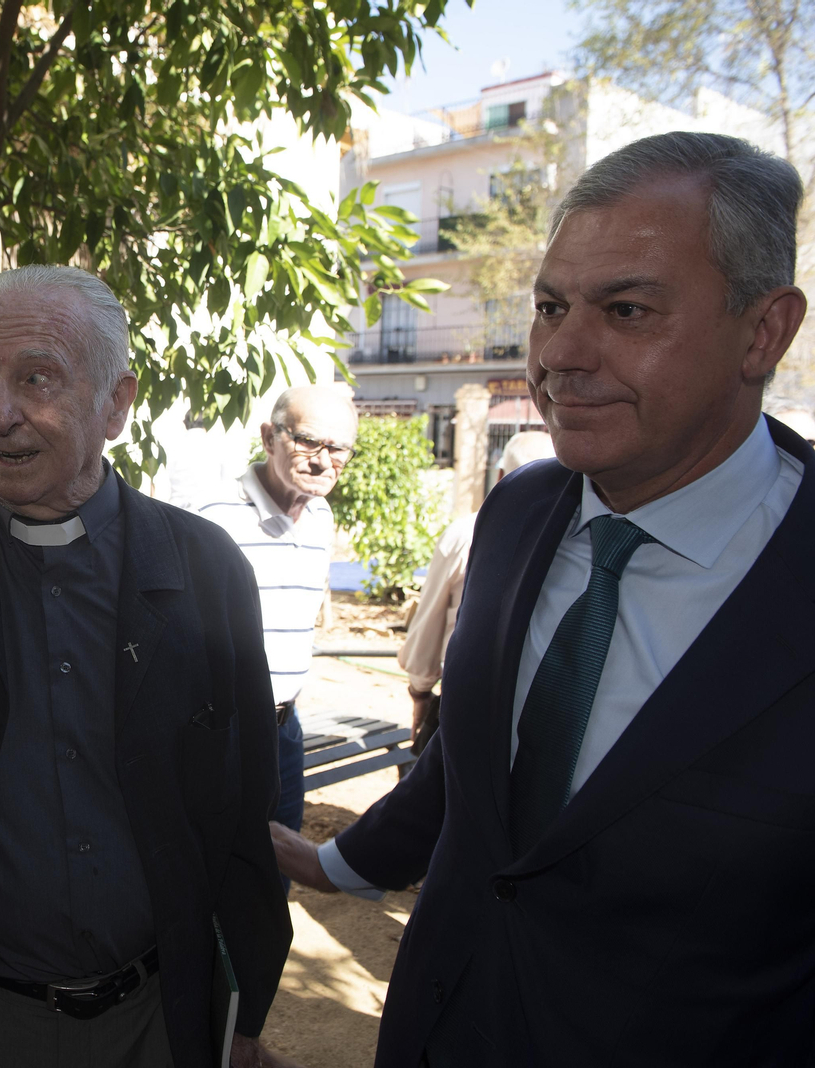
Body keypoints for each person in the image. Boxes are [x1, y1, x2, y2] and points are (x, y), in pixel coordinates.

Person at [271, 130, 815, 1064]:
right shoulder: (522, 508)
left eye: (628, 310)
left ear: (763, 332)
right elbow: (478, 755)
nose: (559, 352)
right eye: (551, 305)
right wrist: (334, 863)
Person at [0, 265, 294, 1068]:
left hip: (158, 1021)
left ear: (116, 403)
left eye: (35, 378)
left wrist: (244, 1012)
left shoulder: (206, 572)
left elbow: (247, 813)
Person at [197, 386, 359, 835]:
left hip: (286, 729)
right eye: (307, 441)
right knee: (214, 868)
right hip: (220, 731)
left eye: (339, 448)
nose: (323, 460)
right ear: (269, 438)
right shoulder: (213, 517)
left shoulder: (321, 516)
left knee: (278, 865)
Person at [398, 431, 557, 755]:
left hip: (467, 702)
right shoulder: (582, 537)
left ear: (499, 477)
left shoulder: (466, 531)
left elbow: (430, 618)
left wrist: (421, 690)